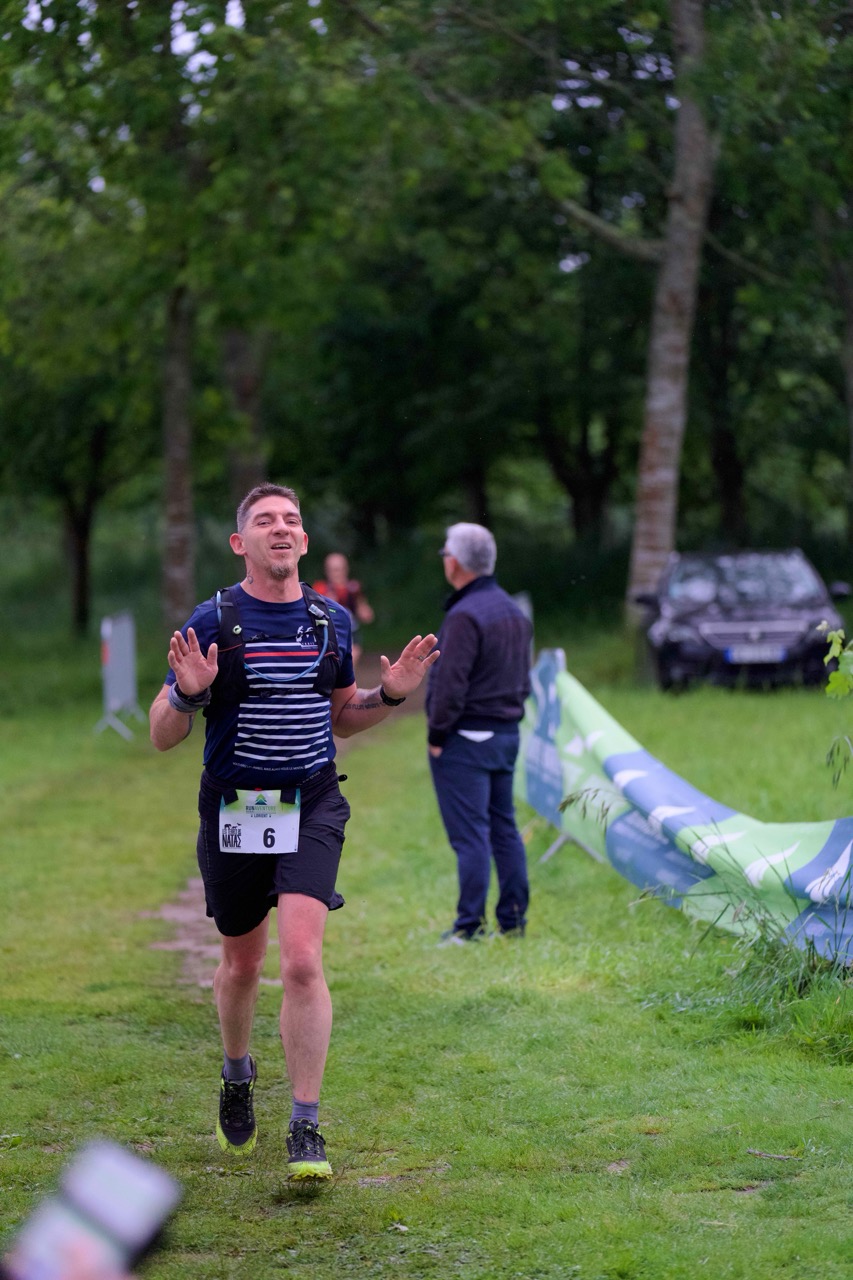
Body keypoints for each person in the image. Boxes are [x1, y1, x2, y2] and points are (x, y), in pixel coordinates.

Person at [149, 483, 438, 1182]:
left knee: (303, 961)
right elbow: (161, 733)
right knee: (243, 964)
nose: (280, 529)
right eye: (264, 521)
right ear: (240, 542)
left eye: (291, 521)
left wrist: (391, 694)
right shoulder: (214, 618)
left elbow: (343, 715)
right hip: (239, 806)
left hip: (311, 802)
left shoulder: (329, 619)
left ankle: (305, 1123)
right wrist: (187, 692)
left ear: (304, 541)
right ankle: (237, 1072)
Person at [426, 522, 532, 944]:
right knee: (504, 829)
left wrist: (437, 735)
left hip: (466, 739)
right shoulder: (514, 611)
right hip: (506, 735)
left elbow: (450, 686)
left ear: (454, 563)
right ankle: (513, 921)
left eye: (445, 554)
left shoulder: (464, 615)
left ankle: (468, 927)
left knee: (471, 837)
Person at [312, 552, 375, 665]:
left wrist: (363, 609)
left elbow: (366, 615)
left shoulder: (353, 589)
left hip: (351, 632)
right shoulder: (320, 590)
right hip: (329, 634)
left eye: (339, 569)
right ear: (327, 571)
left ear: (346, 569)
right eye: (333, 570)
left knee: (350, 660)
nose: (337, 574)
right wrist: (327, 603)